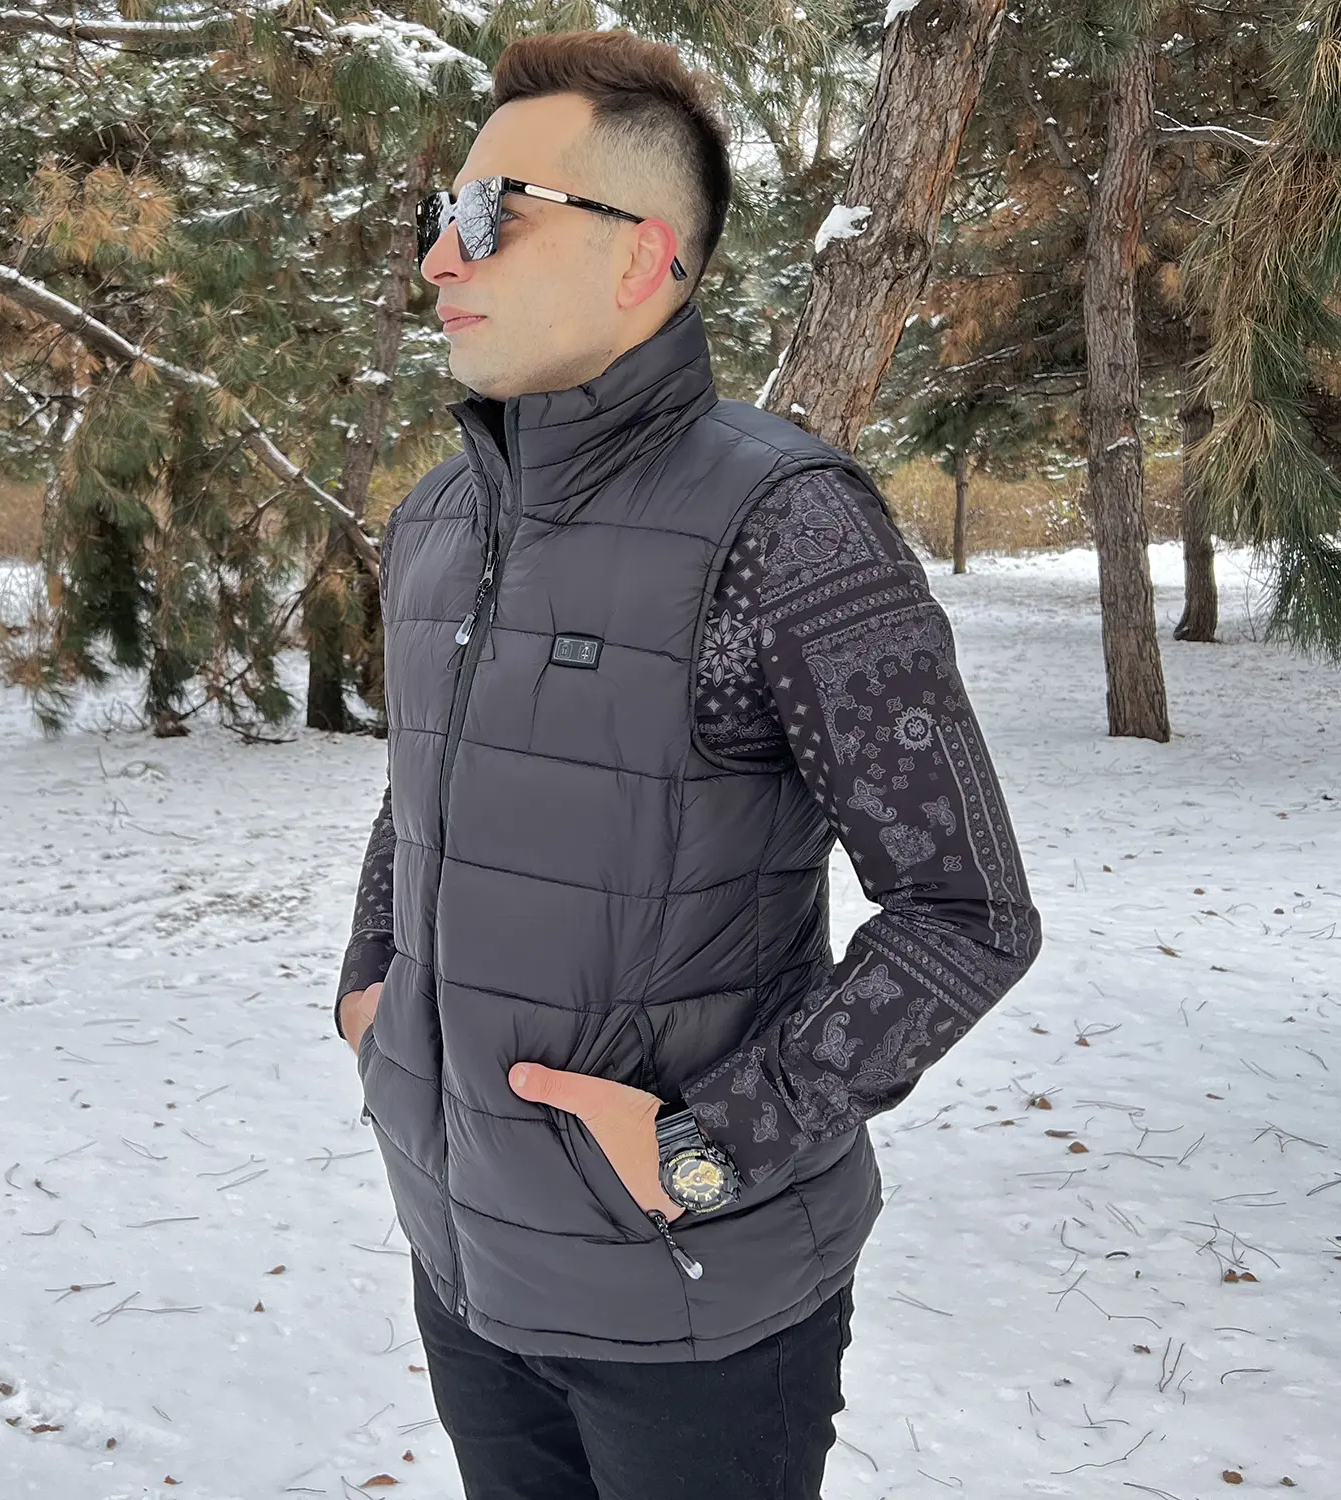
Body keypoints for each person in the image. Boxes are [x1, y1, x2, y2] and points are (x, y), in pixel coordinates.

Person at [335, 29, 1042, 1500]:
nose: (439, 258)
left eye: (492, 215)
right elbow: (429, 788)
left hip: (698, 1308)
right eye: (439, 216)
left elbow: (966, 912)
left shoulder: (786, 525)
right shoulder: (437, 521)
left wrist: (712, 1147)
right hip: (464, 1261)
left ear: (642, 256)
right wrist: (372, 985)